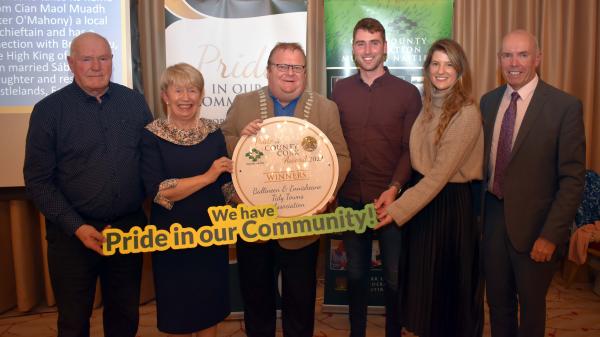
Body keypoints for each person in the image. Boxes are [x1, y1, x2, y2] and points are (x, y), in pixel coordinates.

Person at [23, 32, 152, 337]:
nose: (96, 66)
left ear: (111, 61)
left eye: (103, 58)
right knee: (73, 320)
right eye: (86, 59)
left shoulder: (134, 102)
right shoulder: (48, 111)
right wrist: (77, 227)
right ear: (71, 63)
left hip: (126, 232)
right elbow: (38, 181)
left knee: (124, 317)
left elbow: (150, 162)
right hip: (72, 235)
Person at [221, 42, 350, 337]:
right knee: (256, 302)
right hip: (254, 226)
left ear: (305, 73)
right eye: (282, 66)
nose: (289, 74)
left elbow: (342, 157)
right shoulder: (243, 104)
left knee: (301, 305)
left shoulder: (325, 108)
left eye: (297, 67)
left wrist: (326, 191)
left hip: (302, 229)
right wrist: (239, 140)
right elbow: (222, 144)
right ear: (268, 71)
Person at [480, 29, 585, 337]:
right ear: (499, 59)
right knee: (497, 305)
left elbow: (572, 179)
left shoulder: (564, 107)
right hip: (493, 220)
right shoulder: (488, 103)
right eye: (507, 55)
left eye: (523, 54)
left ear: (538, 58)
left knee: (531, 309)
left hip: (537, 229)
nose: (514, 62)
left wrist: (551, 236)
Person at [376, 39, 484, 337]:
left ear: (460, 71)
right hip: (423, 202)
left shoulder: (466, 113)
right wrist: (395, 191)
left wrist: (397, 209)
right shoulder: (428, 105)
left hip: (449, 207)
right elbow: (417, 159)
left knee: (446, 296)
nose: (441, 70)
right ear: (427, 69)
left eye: (449, 64)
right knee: (425, 293)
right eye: (436, 63)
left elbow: (439, 176)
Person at [330, 17, 421, 337]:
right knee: (355, 273)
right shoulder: (339, 90)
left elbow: (411, 149)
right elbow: (330, 146)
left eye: (373, 43)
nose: (367, 50)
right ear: (353, 49)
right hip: (350, 199)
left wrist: (395, 189)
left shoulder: (408, 93)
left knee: (395, 276)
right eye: (360, 43)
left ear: (385, 48)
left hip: (392, 201)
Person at [140, 63, 232, 337]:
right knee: (178, 313)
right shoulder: (151, 135)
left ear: (201, 95)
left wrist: (254, 200)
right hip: (172, 239)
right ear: (165, 96)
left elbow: (226, 187)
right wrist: (207, 176)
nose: (186, 97)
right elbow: (159, 192)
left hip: (211, 236)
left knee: (209, 309)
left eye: (192, 90)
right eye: (178, 90)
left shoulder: (213, 132)